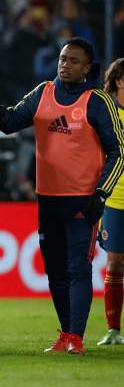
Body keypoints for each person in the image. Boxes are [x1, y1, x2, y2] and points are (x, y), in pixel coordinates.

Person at [0, 38, 124, 354]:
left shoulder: (97, 102)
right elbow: (10, 122)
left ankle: (76, 338)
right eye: (63, 59)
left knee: (78, 267)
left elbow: (118, 153)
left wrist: (101, 194)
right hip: (48, 199)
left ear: (88, 69)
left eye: (74, 61)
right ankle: (66, 333)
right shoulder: (43, 93)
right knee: (55, 270)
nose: (65, 65)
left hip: (83, 200)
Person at [99, 59, 124, 346]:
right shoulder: (106, 113)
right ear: (119, 80)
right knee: (115, 264)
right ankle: (113, 329)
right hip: (115, 197)